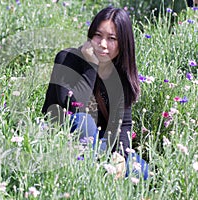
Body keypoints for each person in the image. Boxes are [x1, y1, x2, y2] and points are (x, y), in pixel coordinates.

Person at [42, 6, 149, 180]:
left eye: (112, 38)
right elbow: (73, 106)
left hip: (103, 147)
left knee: (144, 171)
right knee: (84, 121)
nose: (103, 44)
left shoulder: (120, 74)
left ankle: (103, 172)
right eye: (98, 36)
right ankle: (92, 175)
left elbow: (124, 124)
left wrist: (120, 156)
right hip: (64, 139)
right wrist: (91, 65)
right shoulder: (67, 59)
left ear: (123, 43)